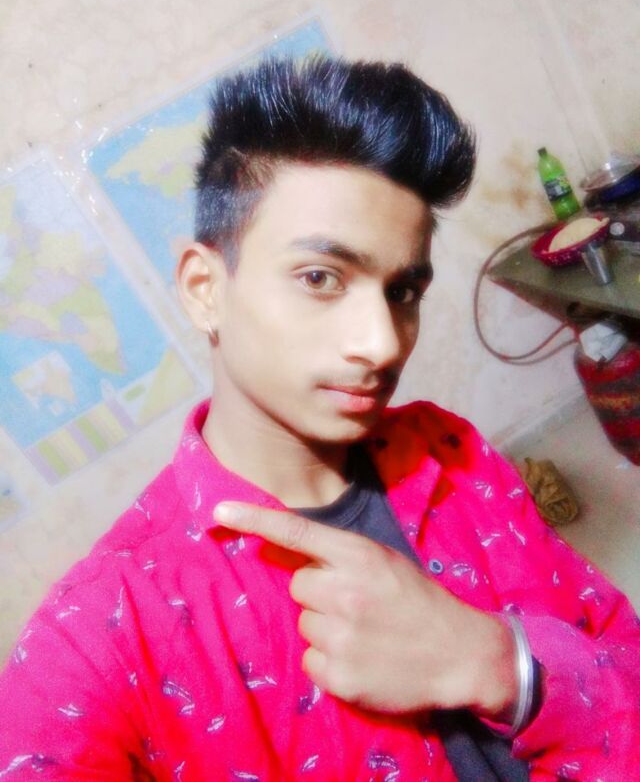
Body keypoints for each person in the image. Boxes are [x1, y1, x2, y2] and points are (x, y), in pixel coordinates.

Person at [0, 56, 638, 781]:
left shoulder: (448, 451)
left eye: (402, 291)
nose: (382, 342)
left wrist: (506, 666)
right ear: (205, 288)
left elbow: (623, 655)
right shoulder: (101, 631)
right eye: (320, 277)